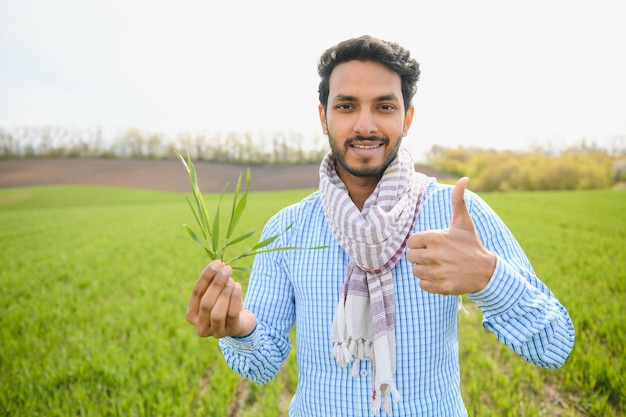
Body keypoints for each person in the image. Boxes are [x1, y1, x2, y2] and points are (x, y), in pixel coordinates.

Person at [184, 35, 575, 416]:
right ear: (324, 117)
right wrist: (238, 326)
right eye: (347, 106)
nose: (365, 125)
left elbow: (554, 345)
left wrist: (490, 279)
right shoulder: (289, 228)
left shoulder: (456, 215)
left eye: (384, 107)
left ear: (407, 117)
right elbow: (261, 364)